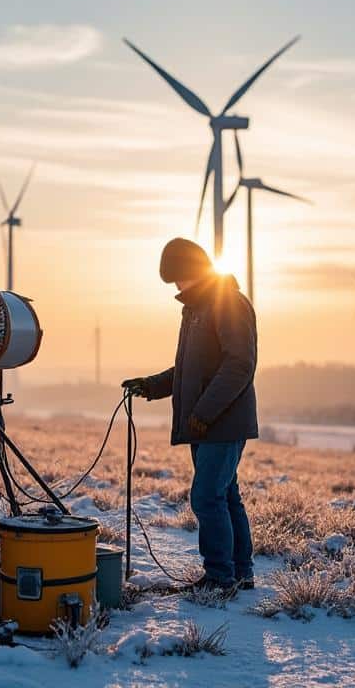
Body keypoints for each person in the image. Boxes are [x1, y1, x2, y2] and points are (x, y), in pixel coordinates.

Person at [123, 237, 258, 594]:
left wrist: (204, 413)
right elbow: (188, 368)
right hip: (206, 423)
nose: (176, 287)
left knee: (206, 497)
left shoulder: (228, 303)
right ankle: (240, 572)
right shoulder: (197, 309)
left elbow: (239, 364)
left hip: (222, 422)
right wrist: (150, 385)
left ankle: (219, 577)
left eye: (178, 278)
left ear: (193, 271)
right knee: (225, 496)